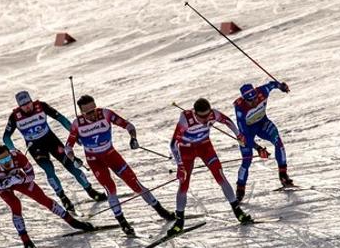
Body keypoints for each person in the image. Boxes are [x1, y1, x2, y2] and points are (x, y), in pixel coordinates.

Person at [64, 95, 175, 236]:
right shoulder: (77, 124)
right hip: (95, 161)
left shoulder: (105, 114)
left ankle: (161, 211)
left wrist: (133, 138)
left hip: (111, 155)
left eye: (94, 109)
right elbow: (68, 147)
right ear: (81, 113)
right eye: (88, 113)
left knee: (134, 183)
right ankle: (123, 223)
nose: (93, 114)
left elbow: (128, 125)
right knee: (110, 189)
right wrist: (74, 159)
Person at [3, 91, 107, 211]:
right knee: (49, 171)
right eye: (23, 105)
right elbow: (6, 137)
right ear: (19, 106)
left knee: (71, 165)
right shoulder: (15, 117)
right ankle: (63, 198)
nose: (27, 106)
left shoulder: (41, 106)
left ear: (31, 101)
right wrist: (13, 150)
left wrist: (74, 134)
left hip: (51, 140)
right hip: (35, 147)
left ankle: (90, 190)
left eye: (28, 103)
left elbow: (61, 118)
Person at [0, 145, 94, 248]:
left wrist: (20, 180)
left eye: (7, 158)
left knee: (42, 198)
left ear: (11, 155)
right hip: (3, 186)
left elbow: (31, 175)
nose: (6, 162)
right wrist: (2, 185)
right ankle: (26, 241)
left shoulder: (18, 156)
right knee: (15, 205)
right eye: (2, 161)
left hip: (20, 180)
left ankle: (72, 221)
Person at [168, 98, 253, 235]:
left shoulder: (212, 114)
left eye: (207, 116)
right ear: (195, 113)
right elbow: (173, 144)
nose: (205, 119)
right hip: (186, 150)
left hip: (204, 147)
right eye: (202, 117)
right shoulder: (185, 119)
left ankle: (238, 212)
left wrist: (238, 134)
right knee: (184, 185)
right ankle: (179, 222)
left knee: (220, 176)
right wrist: (180, 165)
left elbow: (227, 121)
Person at [234, 81, 293, 201]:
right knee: (247, 160)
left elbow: (273, 84)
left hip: (262, 123)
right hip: (247, 132)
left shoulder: (262, 91)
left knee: (279, 143)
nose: (254, 102)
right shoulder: (240, 108)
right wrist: (258, 148)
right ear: (244, 99)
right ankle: (240, 189)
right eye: (250, 101)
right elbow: (246, 137)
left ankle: (283, 175)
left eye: (255, 98)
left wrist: (282, 86)